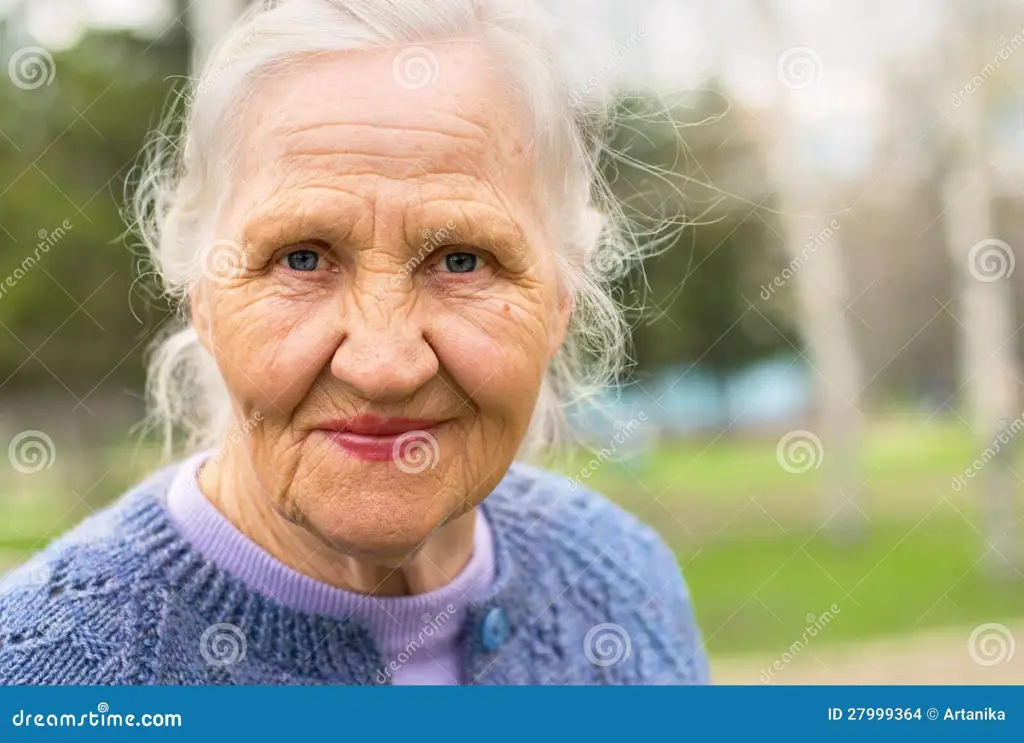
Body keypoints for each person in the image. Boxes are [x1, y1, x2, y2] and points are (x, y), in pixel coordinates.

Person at [0, 0, 709, 685]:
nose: (383, 364)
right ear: (204, 296)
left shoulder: (625, 581)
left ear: (560, 300)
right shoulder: (39, 679)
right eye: (302, 258)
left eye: (461, 260)